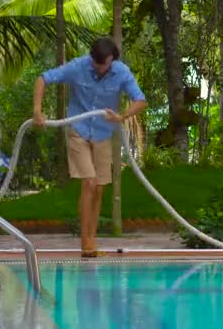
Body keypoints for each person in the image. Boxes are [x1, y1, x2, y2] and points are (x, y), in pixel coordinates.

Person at [32, 37, 147, 257]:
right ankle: (86, 243)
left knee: (100, 187)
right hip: (78, 129)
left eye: (103, 63)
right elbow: (42, 79)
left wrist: (122, 116)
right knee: (90, 182)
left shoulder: (121, 72)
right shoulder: (78, 66)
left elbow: (140, 100)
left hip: (104, 133)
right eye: (96, 63)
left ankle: (91, 239)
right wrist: (37, 110)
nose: (99, 67)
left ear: (112, 59)